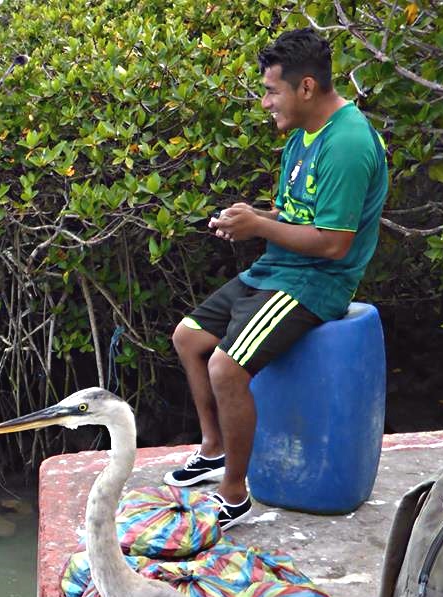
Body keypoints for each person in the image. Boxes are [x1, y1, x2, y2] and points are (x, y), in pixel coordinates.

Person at [166, 28, 388, 530]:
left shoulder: (349, 143)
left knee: (226, 368)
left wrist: (259, 226)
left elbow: (334, 243)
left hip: (315, 284)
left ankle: (234, 494)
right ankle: (214, 449)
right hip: (276, 270)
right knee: (187, 337)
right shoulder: (302, 136)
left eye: (271, 90)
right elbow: (294, 216)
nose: (265, 102)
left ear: (305, 87)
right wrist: (250, 217)